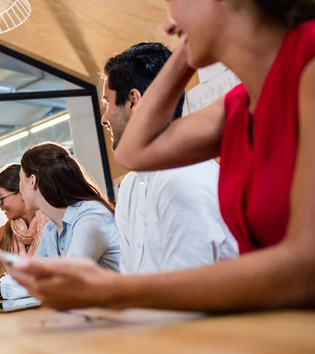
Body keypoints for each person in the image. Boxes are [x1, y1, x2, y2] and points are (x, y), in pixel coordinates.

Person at [8, 0, 315, 311]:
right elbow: (134, 152)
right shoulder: (237, 104)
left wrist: (112, 291)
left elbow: (311, 266)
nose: (169, 25)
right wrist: (193, 38)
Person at [102, 42, 238, 274]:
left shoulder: (183, 178)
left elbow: (193, 292)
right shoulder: (129, 186)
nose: (104, 118)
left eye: (108, 103)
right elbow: (131, 275)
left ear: (133, 101)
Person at [0, 143, 121, 299]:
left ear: (32, 181)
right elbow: (33, 277)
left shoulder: (90, 216)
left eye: (21, 179)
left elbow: (68, 278)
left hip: (125, 316)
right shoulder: (50, 229)